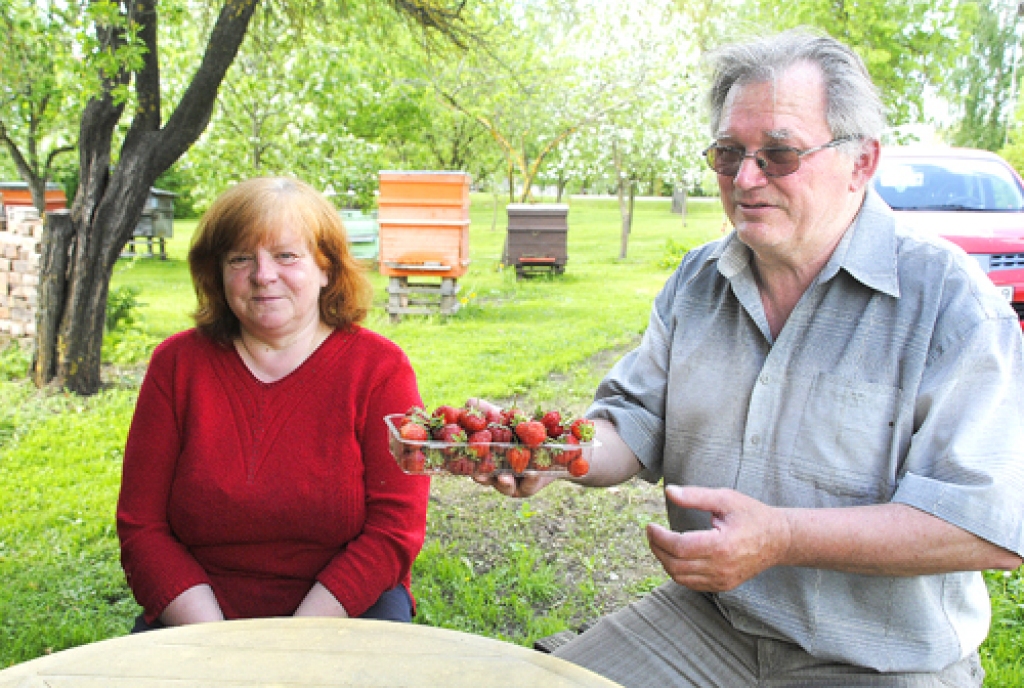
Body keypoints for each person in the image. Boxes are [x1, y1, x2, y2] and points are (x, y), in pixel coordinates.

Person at [475, 28, 1024, 687]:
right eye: (728, 153)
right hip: (710, 625)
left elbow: (985, 528)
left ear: (861, 162)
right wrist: (554, 452)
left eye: (780, 155)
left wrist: (781, 538)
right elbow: (633, 425)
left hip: (881, 659)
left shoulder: (950, 304)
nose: (745, 178)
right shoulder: (697, 280)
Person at [116, 177, 430, 630]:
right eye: (240, 258)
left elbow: (395, 529)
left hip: (346, 607)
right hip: (200, 615)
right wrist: (215, 642)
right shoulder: (176, 366)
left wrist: (292, 642)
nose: (263, 275)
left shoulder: (379, 369)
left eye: (286, 256)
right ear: (217, 273)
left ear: (326, 269)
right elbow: (142, 527)